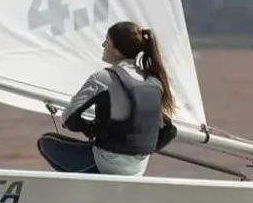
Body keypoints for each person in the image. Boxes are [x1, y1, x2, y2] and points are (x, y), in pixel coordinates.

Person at [36, 21, 178, 175]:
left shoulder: (103, 78)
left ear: (117, 50)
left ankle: (83, 189)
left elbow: (68, 118)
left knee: (46, 142)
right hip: (136, 170)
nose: (103, 45)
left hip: (105, 165)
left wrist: (88, 128)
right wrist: (140, 151)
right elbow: (170, 130)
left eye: (107, 42)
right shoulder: (154, 82)